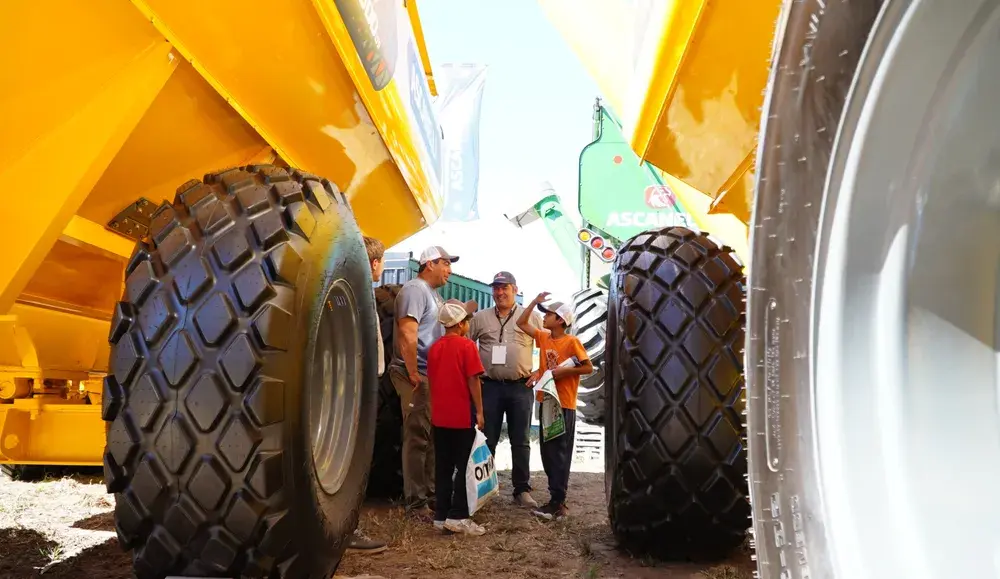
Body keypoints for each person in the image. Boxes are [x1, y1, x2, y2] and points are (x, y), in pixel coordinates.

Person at [389, 245, 460, 518]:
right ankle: (416, 502)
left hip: (428, 374)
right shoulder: (415, 290)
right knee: (418, 437)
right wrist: (413, 373)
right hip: (415, 372)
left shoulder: (433, 294)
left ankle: (430, 496)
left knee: (430, 438)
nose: (449, 270)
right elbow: (408, 333)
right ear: (429, 264)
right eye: (446, 263)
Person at [467, 271, 542, 508]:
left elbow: (551, 344)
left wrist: (539, 372)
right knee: (486, 439)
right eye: (496, 288)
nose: (500, 292)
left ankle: (522, 490)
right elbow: (466, 343)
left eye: (505, 288)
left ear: (515, 290)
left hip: (520, 387)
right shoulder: (480, 318)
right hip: (489, 387)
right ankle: (484, 489)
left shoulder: (531, 317)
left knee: (520, 441)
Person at [516, 292, 593, 521]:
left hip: (563, 404)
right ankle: (555, 500)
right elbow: (521, 323)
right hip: (547, 401)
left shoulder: (572, 342)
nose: (544, 317)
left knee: (559, 453)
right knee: (548, 453)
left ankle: (558, 502)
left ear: (560, 320)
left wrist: (564, 371)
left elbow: (588, 367)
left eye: (548, 314)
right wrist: (533, 302)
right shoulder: (544, 337)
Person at [427, 298, 487, 536]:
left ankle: (441, 515)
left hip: (439, 416)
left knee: (443, 466)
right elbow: (473, 379)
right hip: (461, 415)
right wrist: (480, 410)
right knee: (464, 466)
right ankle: (458, 516)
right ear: (461, 324)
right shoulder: (467, 346)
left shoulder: (434, 348)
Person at [346, 236, 390, 555]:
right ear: (374, 263)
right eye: (382, 263)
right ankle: (347, 529)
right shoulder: (357, 295)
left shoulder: (355, 291)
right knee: (353, 460)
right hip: (357, 388)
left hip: (358, 385)